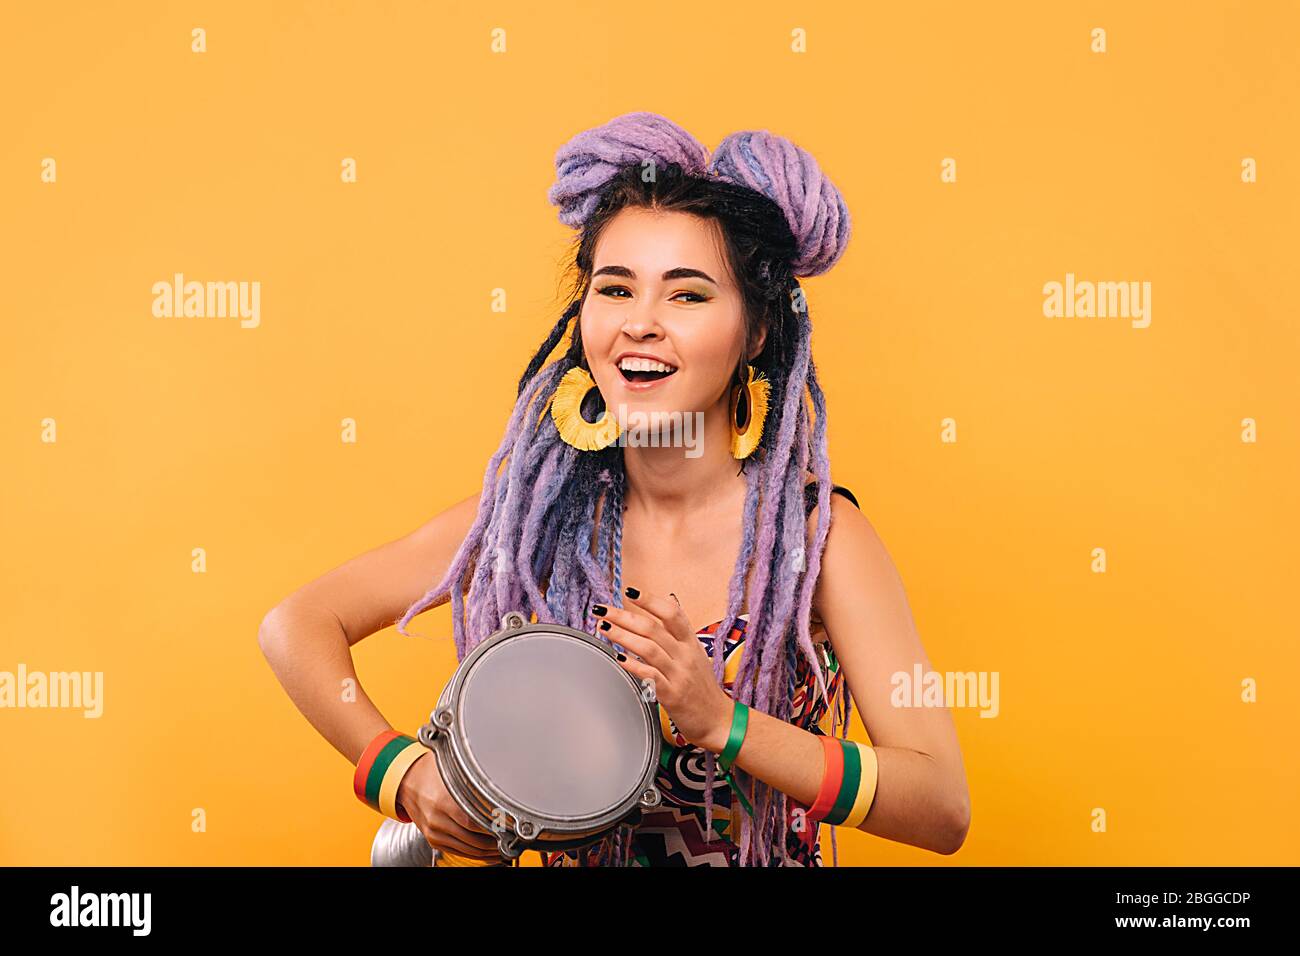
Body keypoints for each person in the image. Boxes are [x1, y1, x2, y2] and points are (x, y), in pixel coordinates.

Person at [258, 111, 970, 866]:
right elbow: (296, 625)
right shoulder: (530, 522)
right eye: (616, 289)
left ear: (756, 333)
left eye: (688, 296)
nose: (642, 323)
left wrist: (722, 721)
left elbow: (941, 805)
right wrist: (402, 773)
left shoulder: (816, 540)